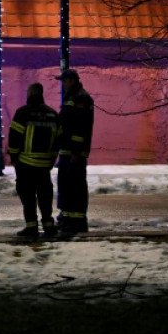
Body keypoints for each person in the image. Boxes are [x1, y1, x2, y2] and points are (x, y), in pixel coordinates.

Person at [8, 82, 60, 239]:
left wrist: (14, 157)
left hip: (26, 163)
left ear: (30, 94)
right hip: (44, 164)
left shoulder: (22, 113)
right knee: (45, 195)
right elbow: (58, 139)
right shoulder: (53, 114)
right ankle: (48, 225)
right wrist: (51, 158)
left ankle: (31, 227)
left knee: (28, 196)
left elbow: (14, 137)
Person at [54, 69, 95, 235]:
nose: (63, 84)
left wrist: (76, 151)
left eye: (65, 81)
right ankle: (66, 218)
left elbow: (80, 126)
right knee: (66, 186)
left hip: (74, 152)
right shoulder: (72, 97)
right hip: (67, 151)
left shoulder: (80, 98)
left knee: (75, 187)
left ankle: (76, 221)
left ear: (72, 80)